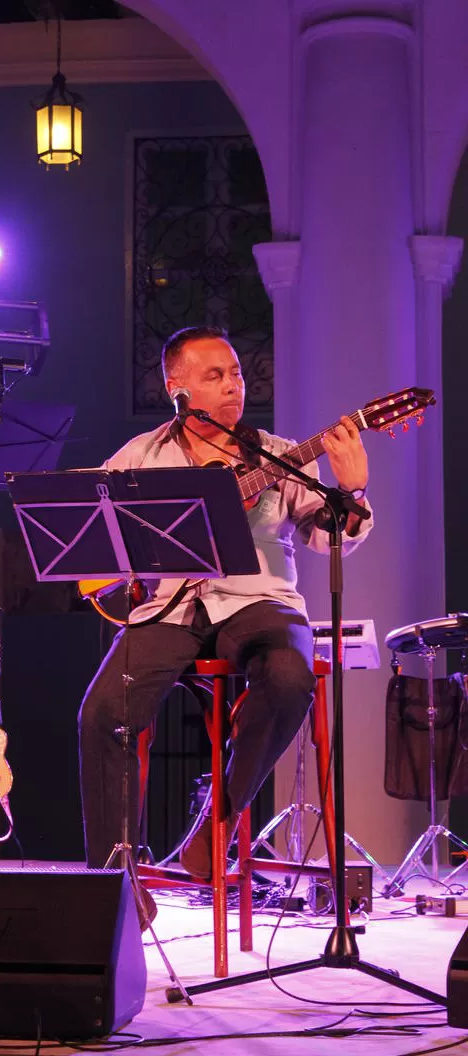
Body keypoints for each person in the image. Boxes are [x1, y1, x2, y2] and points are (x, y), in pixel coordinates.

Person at [78, 326, 372, 917]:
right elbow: (91, 536)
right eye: (215, 375)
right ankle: (115, 883)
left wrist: (354, 487)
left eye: (236, 372)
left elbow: (329, 536)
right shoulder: (141, 456)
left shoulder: (277, 454)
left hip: (258, 601)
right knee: (103, 710)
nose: (233, 384)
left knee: (291, 677)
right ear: (177, 388)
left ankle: (221, 819)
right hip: (169, 607)